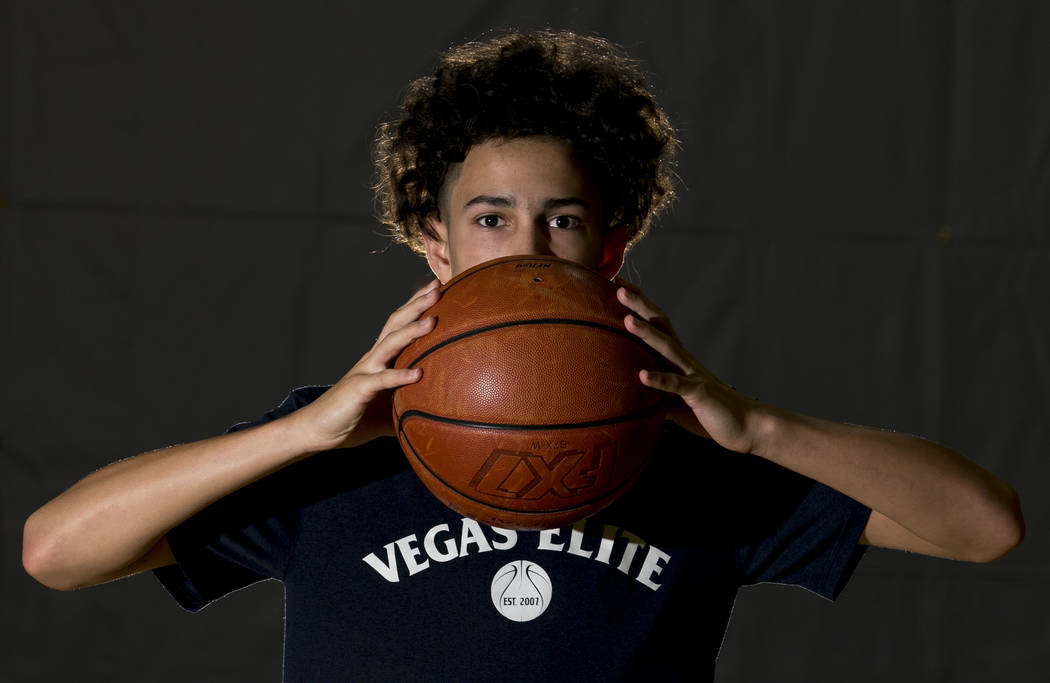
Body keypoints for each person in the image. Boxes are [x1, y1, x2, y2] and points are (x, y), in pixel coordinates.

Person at [23, 29, 1023, 681]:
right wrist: (302, 430)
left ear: (612, 243)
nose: (531, 248)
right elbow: (55, 552)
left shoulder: (693, 449)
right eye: (493, 217)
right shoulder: (336, 453)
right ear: (437, 240)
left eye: (564, 220)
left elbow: (985, 527)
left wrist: (756, 426)